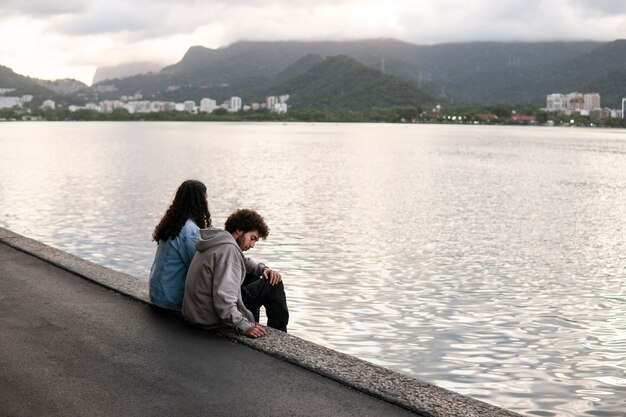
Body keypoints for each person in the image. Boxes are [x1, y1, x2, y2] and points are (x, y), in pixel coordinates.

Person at [182, 208, 289, 338]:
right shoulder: (229, 251)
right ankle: (280, 336)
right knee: (274, 283)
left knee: (254, 275)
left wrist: (262, 269)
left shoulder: (217, 241)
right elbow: (224, 298)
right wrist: (243, 326)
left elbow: (242, 262)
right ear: (239, 230)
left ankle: (254, 323)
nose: (252, 245)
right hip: (210, 317)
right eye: (252, 238)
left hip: (197, 312)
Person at [149, 180, 212, 311]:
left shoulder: (173, 223)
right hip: (170, 301)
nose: (207, 203)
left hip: (157, 293)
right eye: (205, 199)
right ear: (199, 202)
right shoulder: (190, 231)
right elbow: (197, 267)